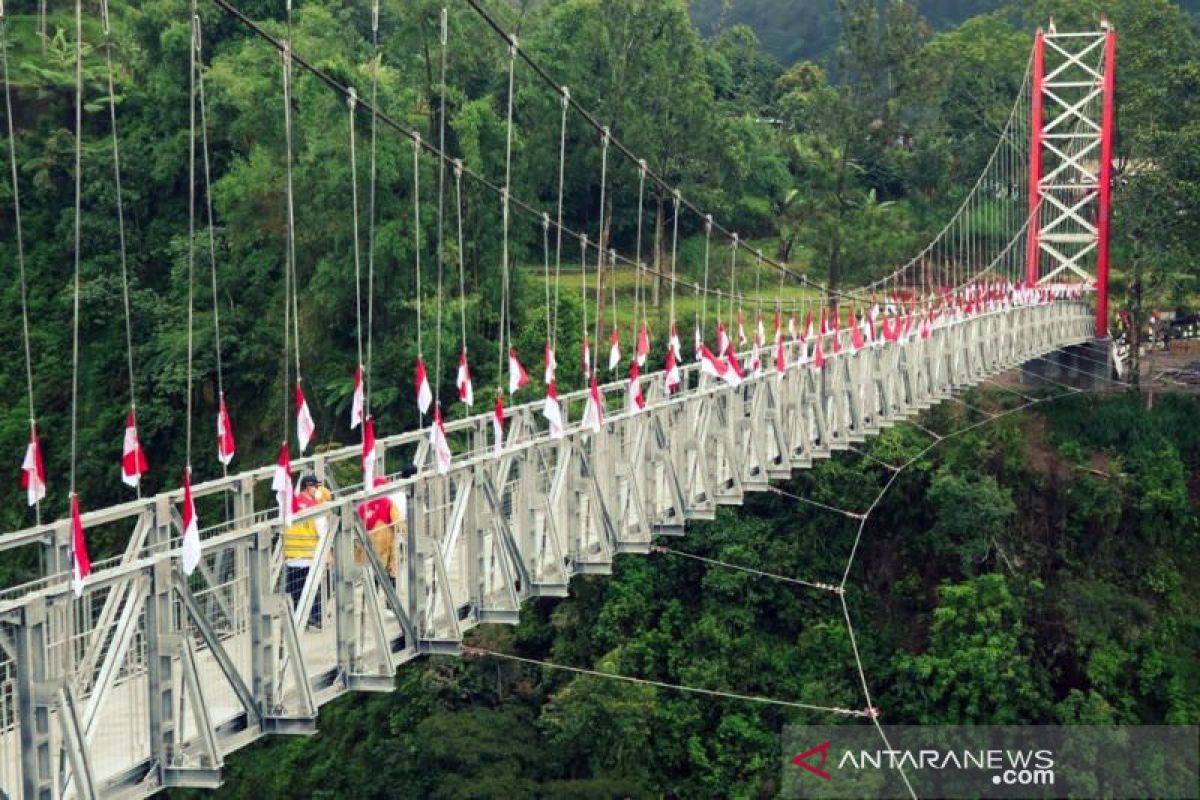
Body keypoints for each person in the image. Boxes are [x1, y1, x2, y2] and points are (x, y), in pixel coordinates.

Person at [285, 474, 327, 629]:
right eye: (316, 487)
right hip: (309, 556)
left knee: (296, 592)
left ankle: (298, 621)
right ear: (309, 487)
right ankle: (315, 618)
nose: (318, 489)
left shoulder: (289, 505)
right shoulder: (313, 506)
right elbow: (323, 531)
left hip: (291, 557)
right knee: (312, 590)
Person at [356, 477, 403, 577]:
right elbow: (397, 521)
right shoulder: (387, 502)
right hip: (385, 543)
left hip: (367, 544)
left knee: (370, 572)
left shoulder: (362, 505)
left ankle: (370, 589)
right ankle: (391, 586)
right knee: (389, 569)